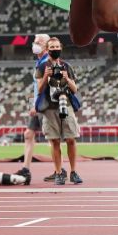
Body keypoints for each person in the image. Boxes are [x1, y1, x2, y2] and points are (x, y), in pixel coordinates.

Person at [37, 37, 82, 185]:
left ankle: (74, 171)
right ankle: (58, 172)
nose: (55, 49)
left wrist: (67, 79)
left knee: (71, 139)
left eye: (57, 47)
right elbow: (39, 89)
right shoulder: (42, 66)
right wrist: (45, 76)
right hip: (50, 108)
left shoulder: (66, 66)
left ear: (61, 48)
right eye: (52, 47)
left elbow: (75, 89)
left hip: (66, 104)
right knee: (54, 141)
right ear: (47, 49)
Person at [14, 33, 51, 185]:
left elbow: (47, 86)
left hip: (46, 105)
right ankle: (25, 169)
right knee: (28, 134)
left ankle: (60, 170)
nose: (34, 45)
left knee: (51, 139)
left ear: (46, 45)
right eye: (34, 41)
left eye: (38, 42)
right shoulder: (38, 62)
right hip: (37, 104)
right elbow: (35, 86)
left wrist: (37, 104)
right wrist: (32, 104)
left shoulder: (48, 62)